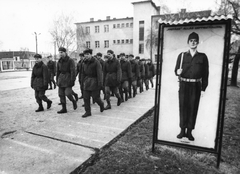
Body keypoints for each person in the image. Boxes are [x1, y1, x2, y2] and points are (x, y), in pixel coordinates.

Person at [174, 32, 209, 141]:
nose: (193, 42)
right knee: (183, 107)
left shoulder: (203, 57)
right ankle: (182, 130)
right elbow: (176, 70)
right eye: (191, 41)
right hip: (184, 85)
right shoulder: (182, 55)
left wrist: (203, 88)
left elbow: (205, 74)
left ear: (198, 42)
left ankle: (189, 132)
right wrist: (177, 71)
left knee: (193, 108)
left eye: (195, 41)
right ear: (188, 42)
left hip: (196, 86)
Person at [81, 49, 105, 117]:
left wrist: (100, 84)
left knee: (96, 97)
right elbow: (82, 73)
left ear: (91, 54)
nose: (86, 56)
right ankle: (88, 112)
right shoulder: (84, 62)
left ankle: (101, 104)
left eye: (88, 54)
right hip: (87, 81)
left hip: (95, 81)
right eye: (85, 54)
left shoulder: (96, 62)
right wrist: (82, 82)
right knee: (86, 97)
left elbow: (100, 74)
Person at [56, 47, 77, 114]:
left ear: (65, 52)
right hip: (61, 79)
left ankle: (73, 101)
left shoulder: (70, 60)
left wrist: (72, 80)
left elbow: (73, 71)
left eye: (61, 52)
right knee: (61, 95)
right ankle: (64, 108)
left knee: (68, 93)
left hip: (68, 79)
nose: (60, 54)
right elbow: (58, 71)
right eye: (59, 52)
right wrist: (57, 80)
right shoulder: (59, 61)